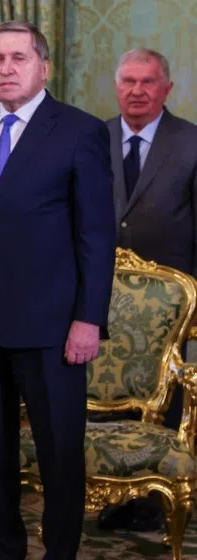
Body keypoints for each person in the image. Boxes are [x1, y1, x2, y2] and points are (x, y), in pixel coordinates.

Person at [0, 20, 116, 559]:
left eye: (18, 58)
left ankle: (62, 552)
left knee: (59, 454)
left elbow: (96, 233)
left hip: (53, 328)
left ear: (43, 67)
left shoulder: (79, 130)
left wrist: (89, 319)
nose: (6, 68)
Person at [98, 48, 197, 532]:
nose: (136, 91)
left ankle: (153, 500)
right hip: (100, 295)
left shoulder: (191, 142)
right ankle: (112, 492)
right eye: (128, 81)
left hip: (170, 303)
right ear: (116, 86)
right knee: (104, 394)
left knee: (163, 394)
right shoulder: (94, 138)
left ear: (166, 90)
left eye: (147, 82)